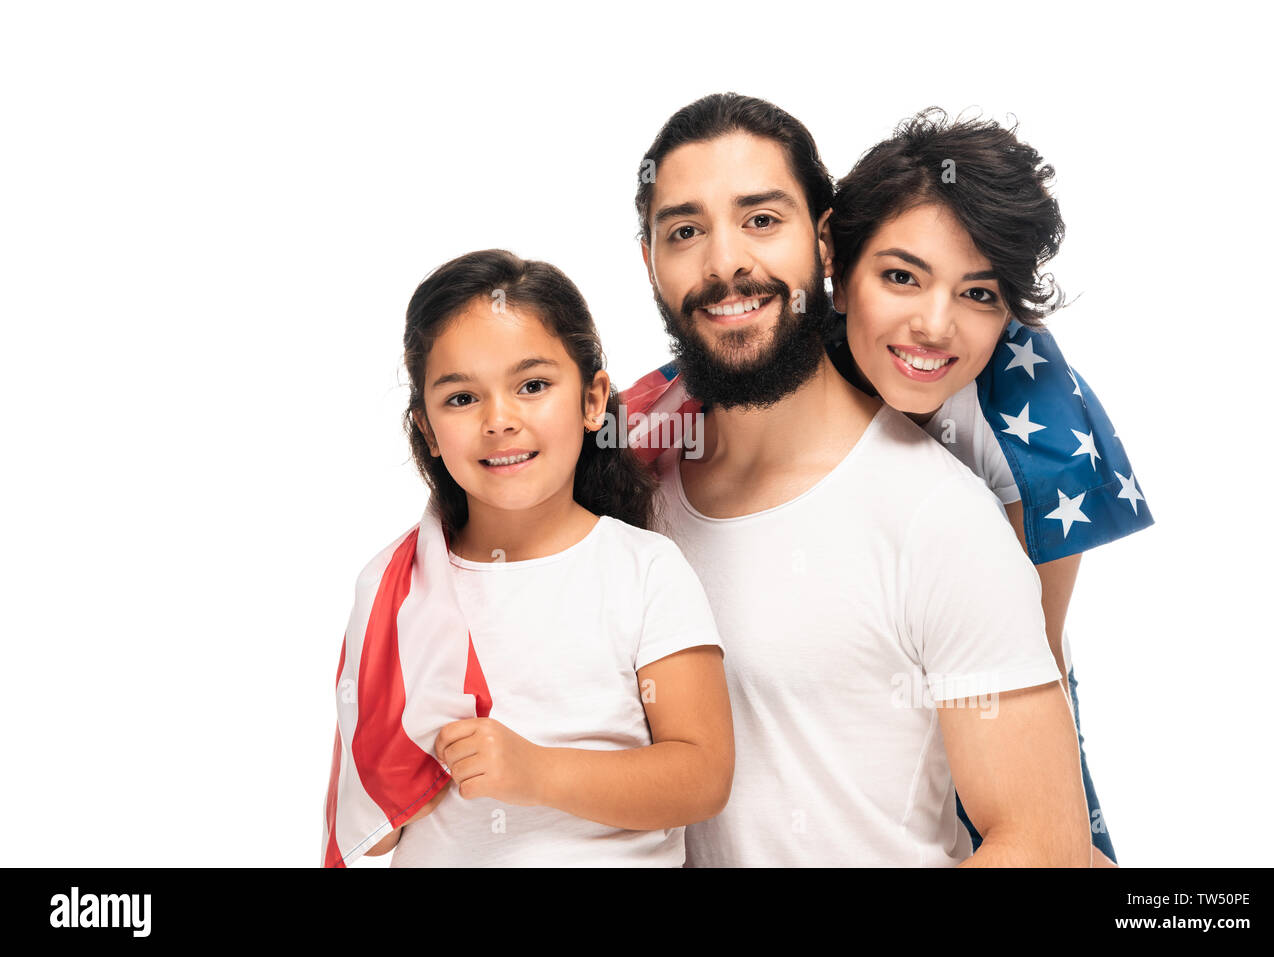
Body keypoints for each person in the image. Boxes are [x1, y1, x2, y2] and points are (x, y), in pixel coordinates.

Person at [631, 93, 1091, 866]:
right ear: (650, 262)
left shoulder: (940, 517)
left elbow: (1042, 844)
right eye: (685, 230)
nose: (725, 263)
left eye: (761, 220)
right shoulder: (624, 490)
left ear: (823, 244)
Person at [330, 249, 733, 867]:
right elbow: (372, 819)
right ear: (429, 430)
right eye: (462, 398)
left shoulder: (644, 571)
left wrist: (538, 773)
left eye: (533, 386)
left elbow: (701, 776)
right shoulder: (399, 591)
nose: (500, 420)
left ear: (593, 399)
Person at [826, 109, 1153, 865]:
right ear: (838, 273)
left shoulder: (1035, 423)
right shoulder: (779, 370)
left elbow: (1028, 659)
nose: (934, 325)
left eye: (979, 294)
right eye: (901, 276)